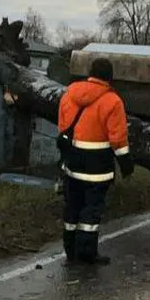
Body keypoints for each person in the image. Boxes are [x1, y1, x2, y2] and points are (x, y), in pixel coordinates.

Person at [57, 57, 135, 266]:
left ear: (90, 73)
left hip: (72, 162)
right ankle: (87, 253)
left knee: (72, 205)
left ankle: (70, 250)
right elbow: (118, 138)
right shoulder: (113, 101)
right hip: (97, 166)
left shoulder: (70, 94)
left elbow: (63, 126)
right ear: (109, 77)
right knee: (91, 210)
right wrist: (126, 164)